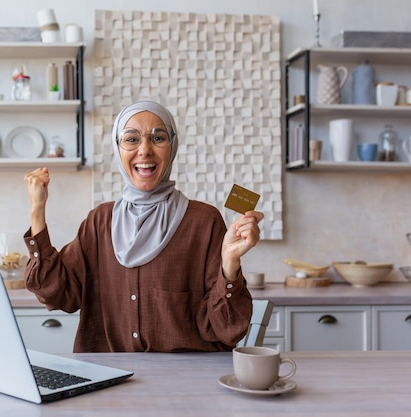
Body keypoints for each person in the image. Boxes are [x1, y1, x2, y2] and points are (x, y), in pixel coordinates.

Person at [23, 100, 264, 353]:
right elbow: (57, 293)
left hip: (185, 382)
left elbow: (226, 328)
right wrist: (37, 210)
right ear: (118, 148)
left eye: (158, 138)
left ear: (172, 146)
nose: (145, 150)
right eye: (131, 139)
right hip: (111, 379)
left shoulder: (203, 221)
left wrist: (229, 264)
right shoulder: (99, 221)